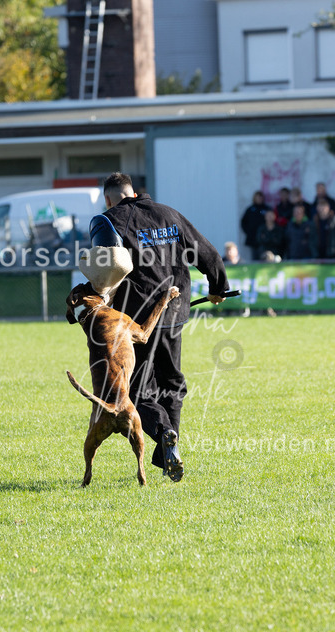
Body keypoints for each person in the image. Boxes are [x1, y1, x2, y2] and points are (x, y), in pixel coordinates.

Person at [90, 172, 229, 482]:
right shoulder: (169, 214)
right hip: (175, 313)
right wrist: (218, 286)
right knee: (173, 384)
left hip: (138, 320)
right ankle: (168, 449)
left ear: (109, 198)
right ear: (134, 192)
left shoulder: (110, 220)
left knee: (137, 392)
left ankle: (165, 433)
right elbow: (206, 252)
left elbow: (105, 271)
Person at [239, 191, 271, 261]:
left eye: (261, 197)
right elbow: (243, 222)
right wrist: (249, 232)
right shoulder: (250, 209)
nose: (259, 199)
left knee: (266, 257)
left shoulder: (266, 209)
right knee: (255, 258)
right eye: (258, 197)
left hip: (265, 239)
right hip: (253, 239)